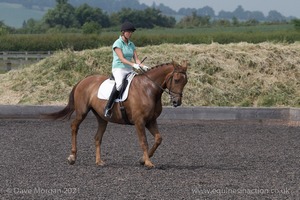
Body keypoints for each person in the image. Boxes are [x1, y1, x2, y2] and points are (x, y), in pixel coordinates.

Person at [104, 21, 149, 118]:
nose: (130, 33)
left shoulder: (131, 44)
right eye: (128, 32)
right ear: (123, 32)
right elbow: (122, 59)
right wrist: (133, 64)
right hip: (119, 68)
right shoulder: (117, 43)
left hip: (129, 69)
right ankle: (108, 107)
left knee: (137, 83)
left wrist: (142, 65)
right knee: (119, 85)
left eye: (131, 32)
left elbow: (136, 59)